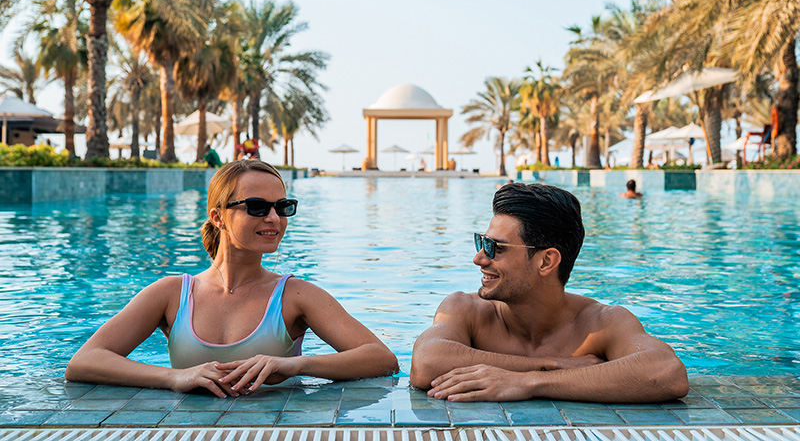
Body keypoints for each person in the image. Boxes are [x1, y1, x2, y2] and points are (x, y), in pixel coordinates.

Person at [66, 160, 398, 396]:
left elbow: (382, 359)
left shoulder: (295, 295)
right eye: (257, 207)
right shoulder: (172, 293)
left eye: (282, 207)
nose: (274, 218)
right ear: (218, 217)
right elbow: (84, 362)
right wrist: (175, 377)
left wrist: (295, 365)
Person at [410, 183, 688, 403]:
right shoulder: (466, 309)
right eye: (481, 242)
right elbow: (426, 363)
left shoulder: (601, 323)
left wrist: (528, 382)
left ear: (546, 261)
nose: (479, 258)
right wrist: (552, 364)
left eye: (496, 248)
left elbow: (666, 372)